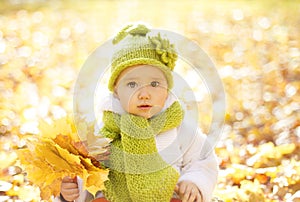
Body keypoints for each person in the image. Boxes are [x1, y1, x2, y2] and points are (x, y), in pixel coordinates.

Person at [59, 24, 218, 202]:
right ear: (116, 91)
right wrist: (70, 191)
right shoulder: (103, 132)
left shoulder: (180, 130)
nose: (144, 94)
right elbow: (89, 174)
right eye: (132, 84)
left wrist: (193, 182)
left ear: (167, 89)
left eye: (154, 84)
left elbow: (203, 161)